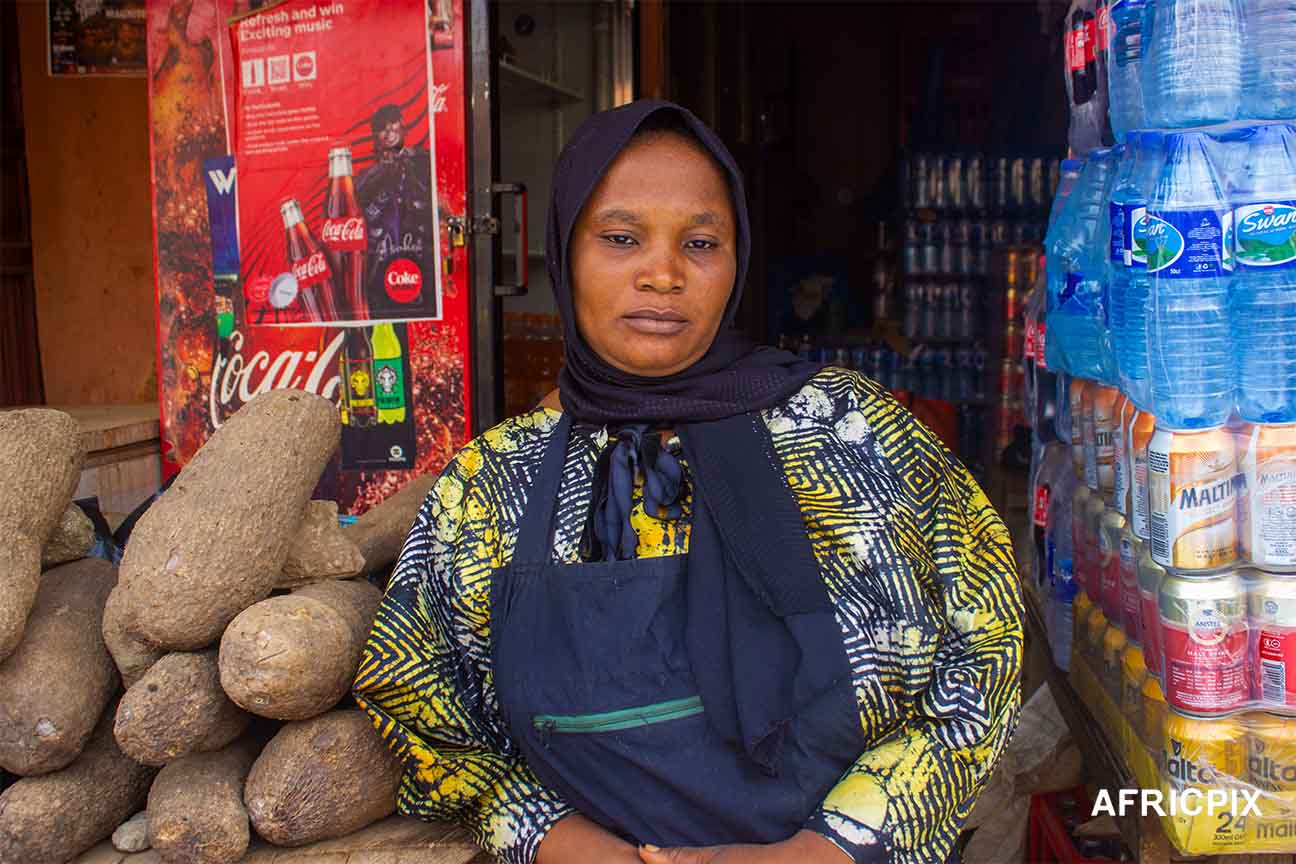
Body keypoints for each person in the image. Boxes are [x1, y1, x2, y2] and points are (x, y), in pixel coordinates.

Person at [354, 100, 1022, 864]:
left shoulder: (856, 437)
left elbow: (987, 651)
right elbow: (418, 707)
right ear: (565, 255)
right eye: (620, 238)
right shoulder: (492, 482)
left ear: (738, 260)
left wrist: (819, 853)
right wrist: (560, 843)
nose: (663, 273)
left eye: (700, 242)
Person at [355, 103, 434, 316]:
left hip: (419, 259)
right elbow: (360, 218)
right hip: (381, 264)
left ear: (403, 127)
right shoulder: (365, 177)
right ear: (375, 135)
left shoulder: (422, 162)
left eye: (393, 125)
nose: (389, 132)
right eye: (383, 128)